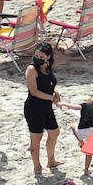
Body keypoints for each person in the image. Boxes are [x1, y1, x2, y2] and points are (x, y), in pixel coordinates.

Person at [25, 42, 62, 174]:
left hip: (46, 107)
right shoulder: (31, 69)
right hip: (34, 108)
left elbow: (48, 83)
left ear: (48, 57)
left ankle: (51, 160)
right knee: (37, 137)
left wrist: (55, 91)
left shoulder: (46, 66)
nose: (38, 58)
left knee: (54, 132)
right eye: (36, 55)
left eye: (41, 56)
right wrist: (51, 98)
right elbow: (34, 91)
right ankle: (37, 167)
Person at [67, 96, 93, 175]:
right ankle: (86, 170)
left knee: (73, 126)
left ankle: (81, 143)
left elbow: (76, 107)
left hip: (81, 132)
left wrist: (66, 105)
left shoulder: (85, 106)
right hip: (92, 133)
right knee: (89, 153)